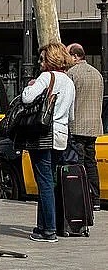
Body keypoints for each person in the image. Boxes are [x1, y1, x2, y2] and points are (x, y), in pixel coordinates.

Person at [22, 43, 76, 242]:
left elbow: (27, 99)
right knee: (49, 180)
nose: (39, 62)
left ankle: (49, 230)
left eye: (42, 58)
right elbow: (71, 115)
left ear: (49, 60)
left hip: (43, 134)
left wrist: (30, 86)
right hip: (61, 135)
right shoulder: (69, 82)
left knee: (43, 182)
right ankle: (43, 226)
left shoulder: (46, 77)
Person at [66, 43, 103, 213]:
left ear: (74, 56)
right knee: (91, 162)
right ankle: (95, 199)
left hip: (77, 125)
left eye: (68, 55)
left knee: (78, 163)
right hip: (94, 125)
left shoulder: (72, 74)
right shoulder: (97, 74)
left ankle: (81, 200)